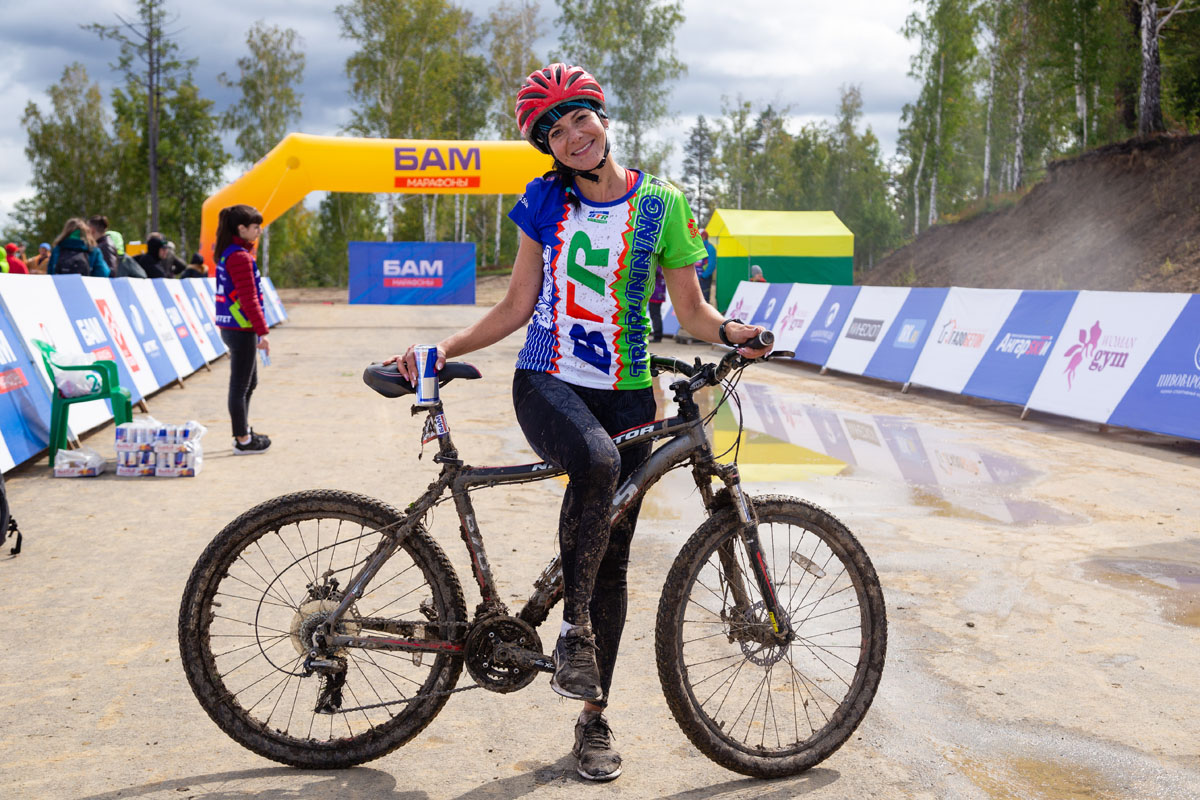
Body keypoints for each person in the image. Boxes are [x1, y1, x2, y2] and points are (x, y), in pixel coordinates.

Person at [385, 63, 769, 782]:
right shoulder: (544, 199)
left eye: (579, 119)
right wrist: (442, 348)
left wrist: (732, 332)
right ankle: (572, 632)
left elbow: (692, 312)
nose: (572, 137)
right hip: (548, 381)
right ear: (548, 147)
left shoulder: (661, 204)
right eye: (555, 131)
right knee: (594, 462)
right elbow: (516, 306)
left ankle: (593, 719)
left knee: (612, 562)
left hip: (630, 395)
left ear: (603, 118)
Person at [213, 204, 271, 455]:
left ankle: (243, 431)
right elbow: (249, 299)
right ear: (241, 228)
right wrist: (262, 332)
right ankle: (243, 440)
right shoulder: (239, 257)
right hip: (241, 329)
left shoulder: (233, 253)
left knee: (249, 382)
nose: (259, 231)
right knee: (240, 387)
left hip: (237, 327)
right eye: (255, 226)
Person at [698, 229, 716, 303]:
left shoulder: (710, 248)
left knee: (704, 301)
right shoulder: (697, 247)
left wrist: (703, 276)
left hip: (704, 279)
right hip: (696, 278)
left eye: (699, 236)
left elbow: (712, 265)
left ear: (704, 237)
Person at [648, 265, 665, 342]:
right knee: (656, 315)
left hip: (656, 293)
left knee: (655, 315)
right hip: (659, 292)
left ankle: (657, 336)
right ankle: (658, 335)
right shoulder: (662, 266)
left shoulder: (657, 266)